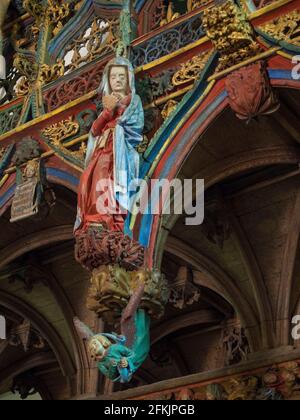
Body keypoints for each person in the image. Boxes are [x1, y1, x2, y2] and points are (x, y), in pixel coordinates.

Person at [75, 57, 144, 234]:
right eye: (114, 77)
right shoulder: (108, 101)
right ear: (109, 80)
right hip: (103, 146)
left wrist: (117, 120)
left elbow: (135, 125)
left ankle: (108, 216)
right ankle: (94, 217)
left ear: (128, 79)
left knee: (105, 177)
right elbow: (96, 129)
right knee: (88, 180)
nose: (118, 80)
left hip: (118, 148)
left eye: (122, 76)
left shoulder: (132, 100)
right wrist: (107, 112)